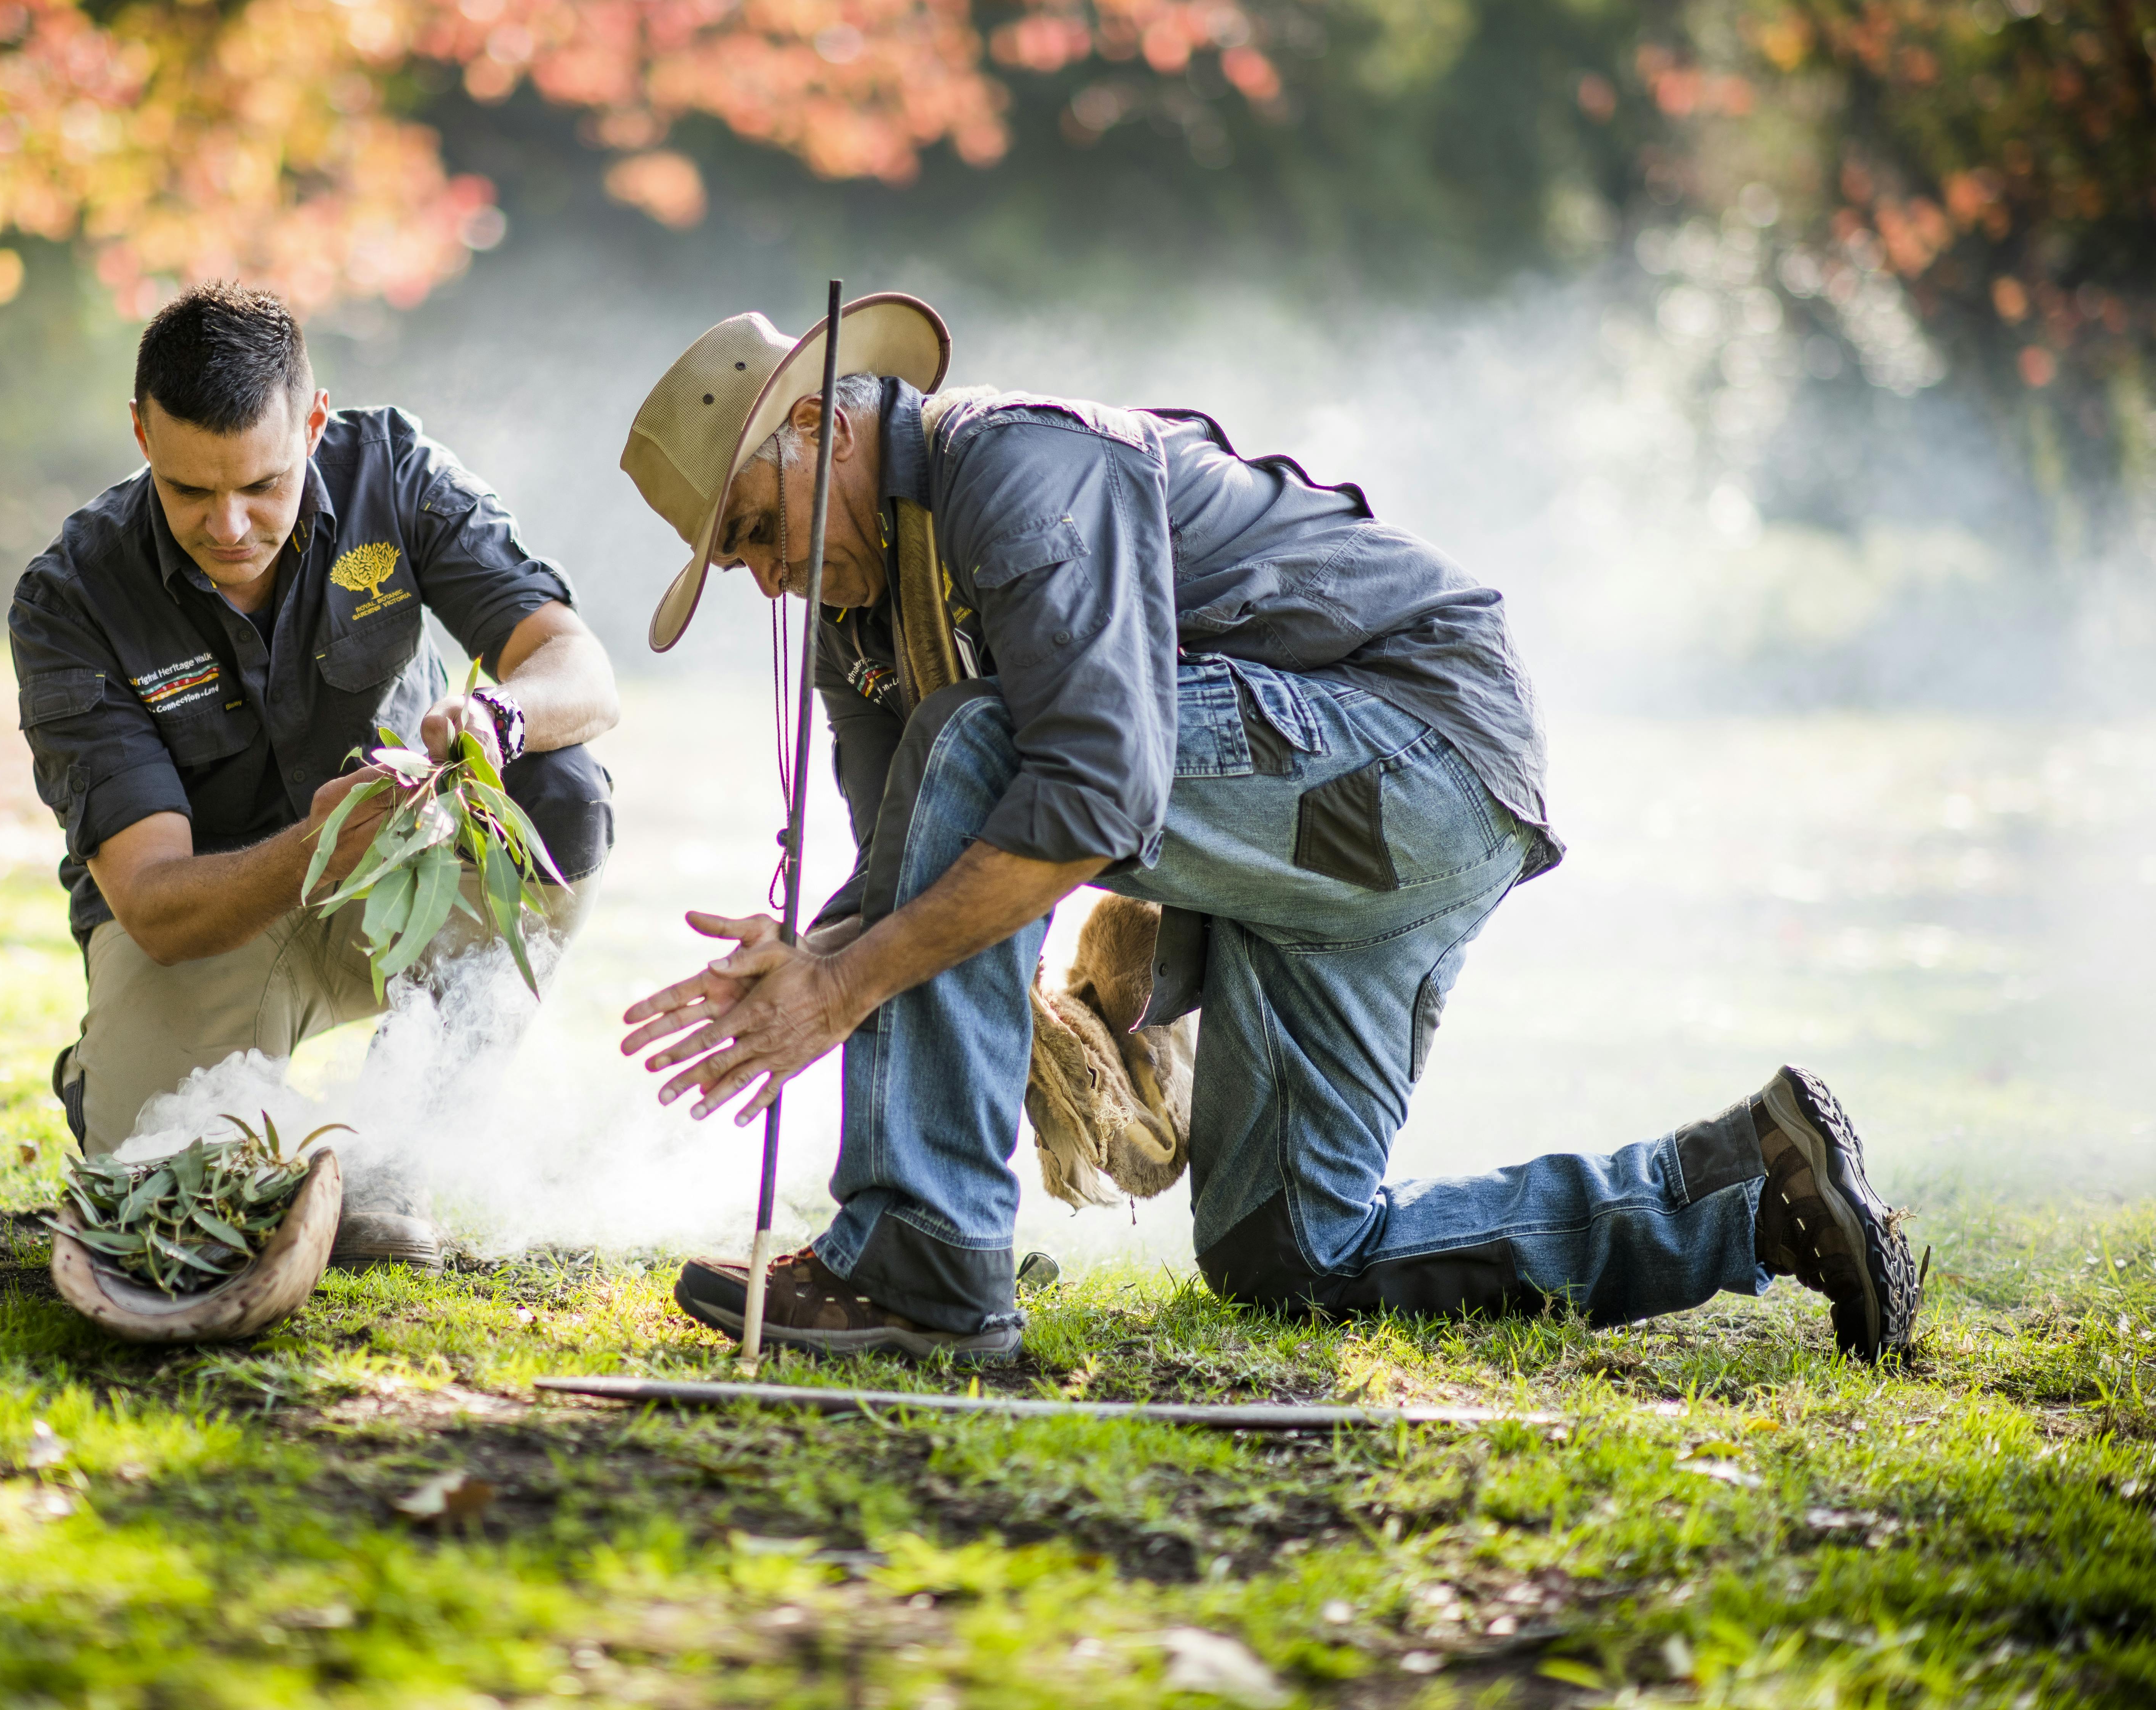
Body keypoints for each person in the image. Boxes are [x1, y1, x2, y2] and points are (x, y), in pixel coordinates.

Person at [616, 292, 1918, 1363]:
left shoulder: (1014, 466)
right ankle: (1748, 1192)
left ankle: (922, 1263)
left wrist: (844, 985)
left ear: (820, 428)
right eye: (738, 564)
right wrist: (812, 962)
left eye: (758, 531)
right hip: (1343, 824)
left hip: (1418, 754)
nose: (768, 579)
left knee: (989, 735)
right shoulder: (856, 622)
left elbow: (1089, 791)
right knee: (1289, 1256)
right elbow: (913, 864)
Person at [13, 282, 619, 1269]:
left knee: (563, 791)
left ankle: (399, 1155)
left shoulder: (395, 472)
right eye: (189, 491)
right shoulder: (70, 597)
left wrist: (498, 718)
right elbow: (156, 907)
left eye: (264, 484)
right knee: (166, 1207)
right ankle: (121, 1085)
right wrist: (317, 844)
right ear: (141, 434)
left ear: (314, 423)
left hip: (402, 885)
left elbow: (580, 670)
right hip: (212, 919)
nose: (230, 526)